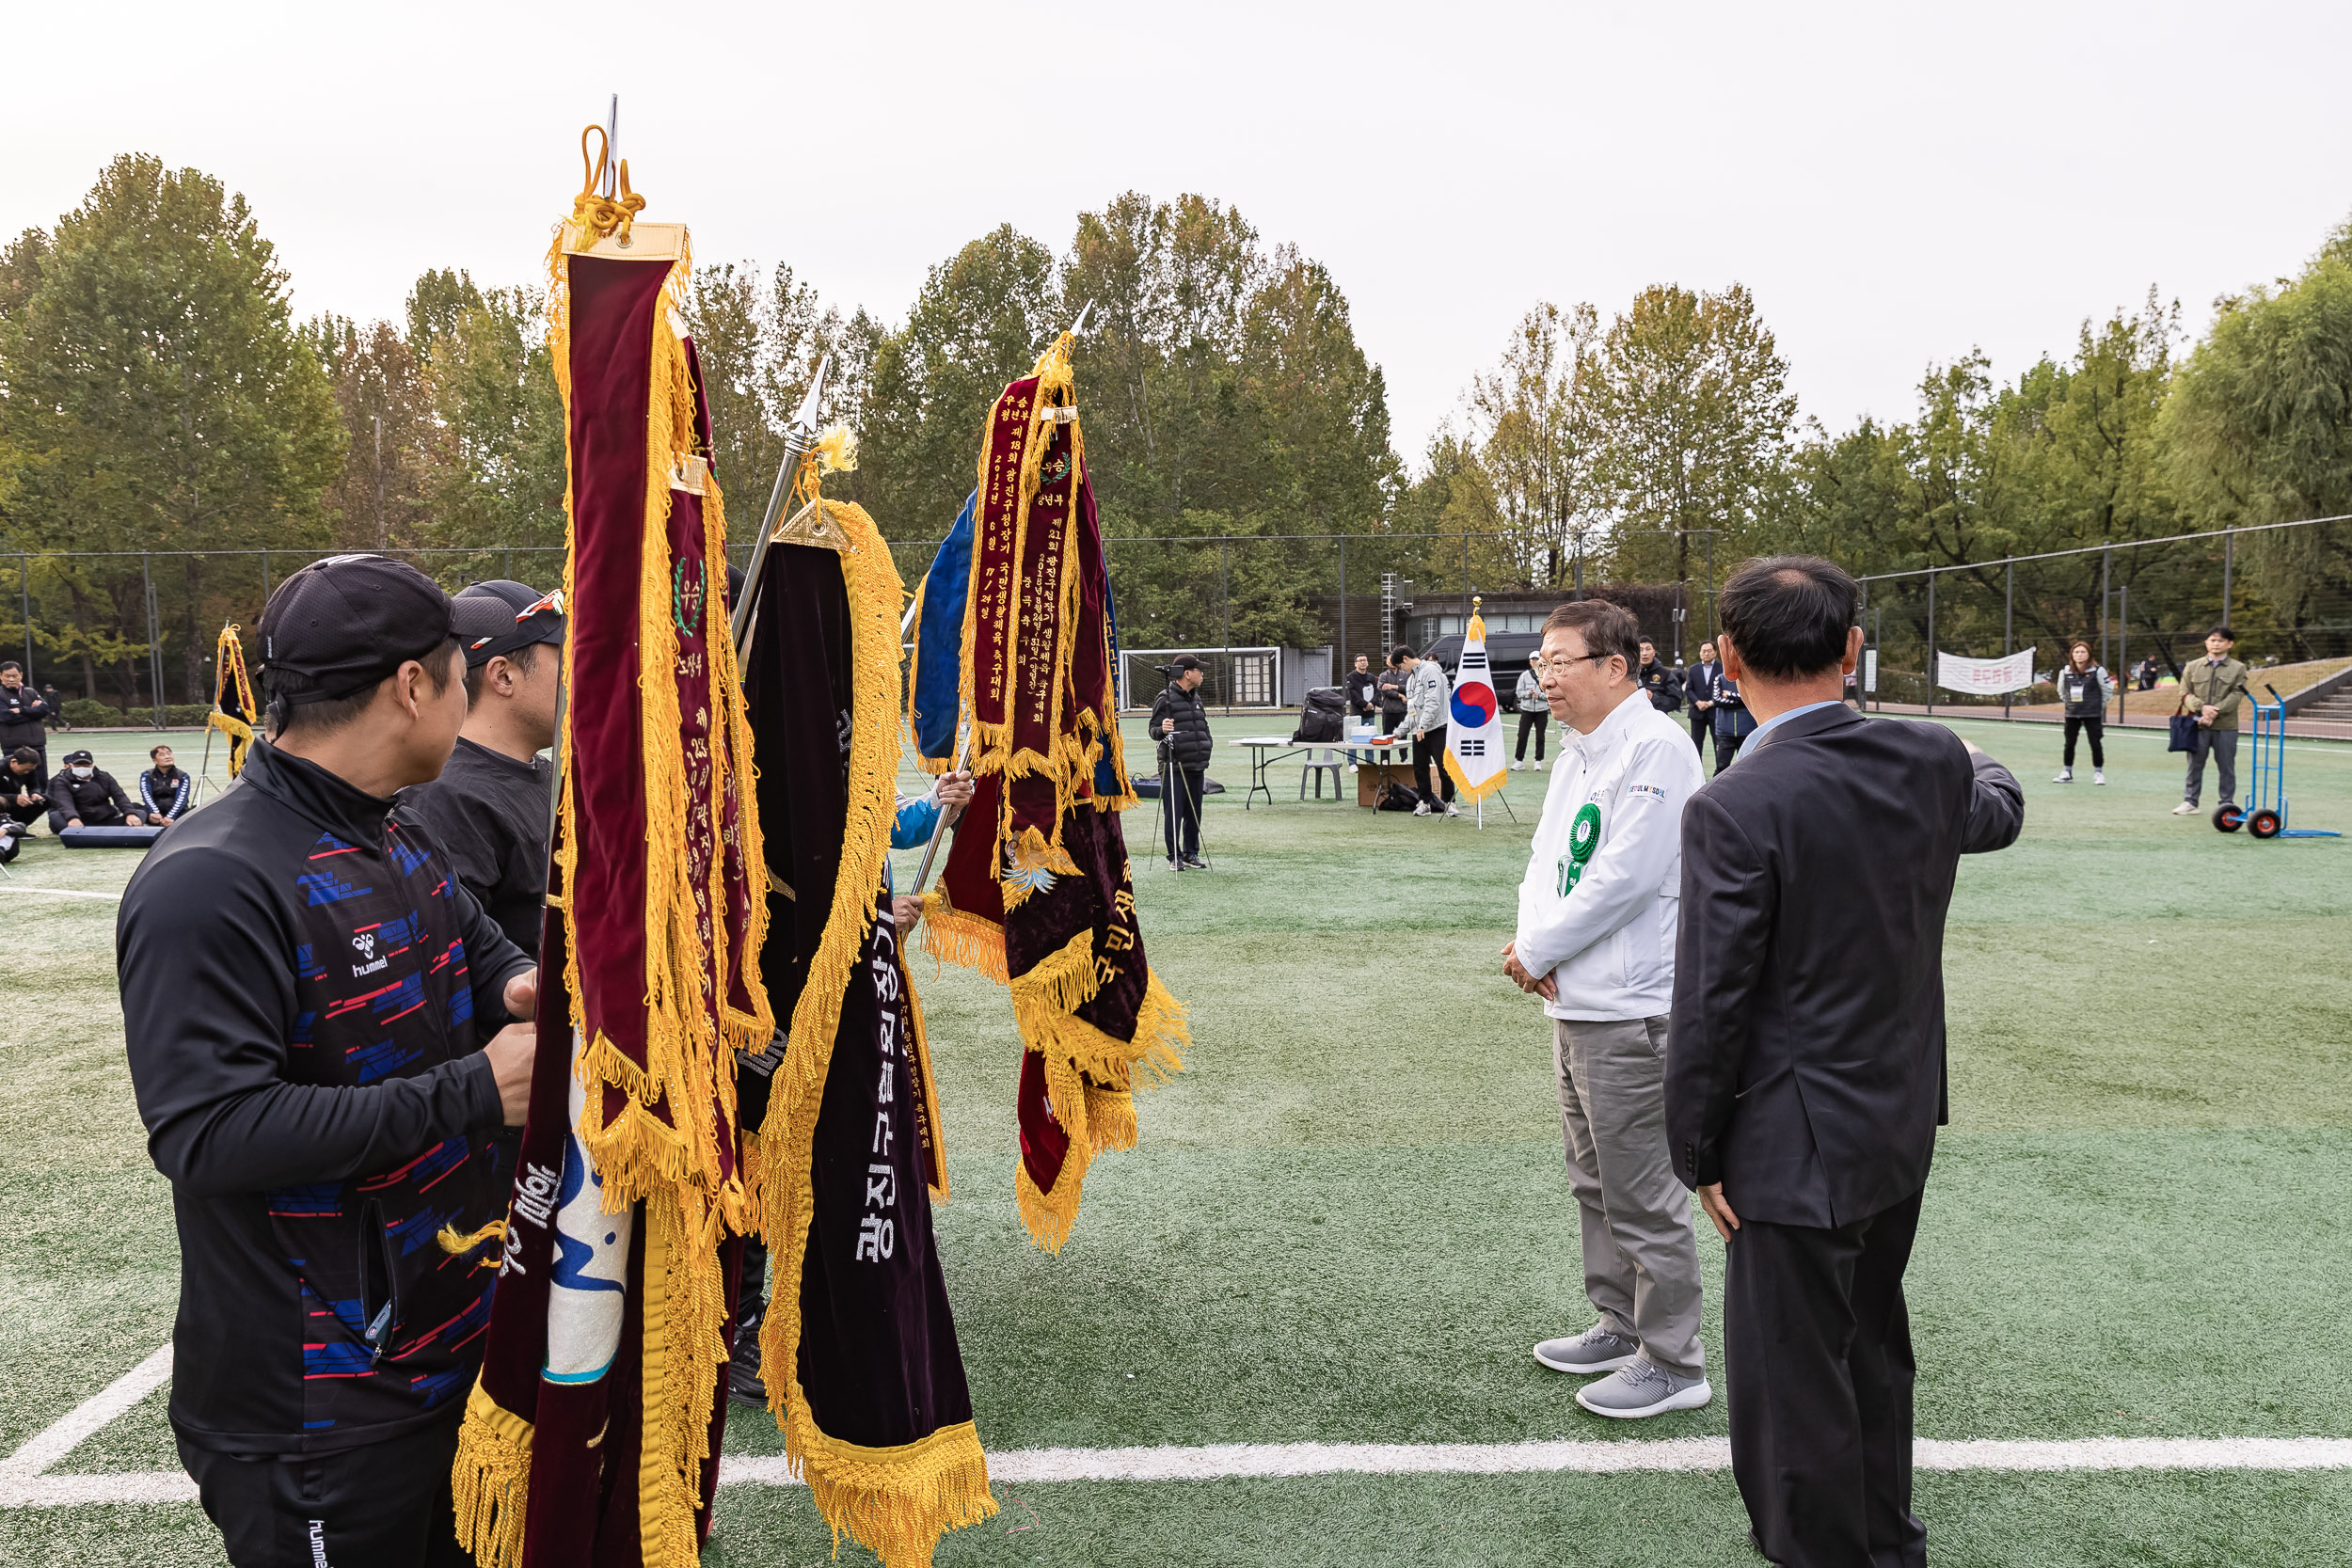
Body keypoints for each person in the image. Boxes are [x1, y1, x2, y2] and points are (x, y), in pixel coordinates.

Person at [117, 554, 540, 1568]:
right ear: (411, 683)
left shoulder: (391, 831)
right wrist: (476, 1088)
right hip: (317, 1407)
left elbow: (485, 952)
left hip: (445, 1351)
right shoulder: (211, 878)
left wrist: (527, 984)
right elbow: (207, 1131)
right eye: (456, 669)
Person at [1666, 555, 2022, 1568]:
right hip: (1898, 1120)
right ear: (1852, 648)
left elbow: (1710, 1000)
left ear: (1726, 656)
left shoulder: (1733, 803)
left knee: (1791, 1384)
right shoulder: (1925, 762)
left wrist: (1697, 1152)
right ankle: (1885, 1537)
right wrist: (1950, 745)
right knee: (1871, 1347)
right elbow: (1994, 798)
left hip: (1788, 1143)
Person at [1504, 599, 1711, 1419]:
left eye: (1561, 661)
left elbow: (1625, 877)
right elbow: (1543, 862)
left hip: (1630, 1009)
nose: (1545, 678)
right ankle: (1620, 1323)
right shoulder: (1573, 756)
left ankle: (1674, 1359)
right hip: (1575, 1006)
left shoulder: (1659, 748)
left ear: (1616, 667)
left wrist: (1540, 950)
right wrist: (1532, 942)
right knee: (1593, 1180)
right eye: (1541, 664)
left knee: (1642, 1191)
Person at [394, 581, 565, 958]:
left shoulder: (544, 771)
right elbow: (451, 961)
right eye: (564, 658)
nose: (578, 675)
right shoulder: (448, 797)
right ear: (503, 676)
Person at [2172, 625, 2248, 817]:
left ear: (2229, 644)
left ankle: (2226, 804)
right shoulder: (2193, 666)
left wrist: (2216, 711)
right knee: (2194, 765)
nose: (2216, 644)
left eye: (2221, 640)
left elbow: (2238, 694)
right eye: (2212, 640)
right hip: (2198, 725)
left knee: (2226, 766)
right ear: (2206, 642)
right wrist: (2201, 708)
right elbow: (2184, 692)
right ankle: (2190, 801)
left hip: (2226, 727)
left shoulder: (2238, 668)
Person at [1148, 655, 1212, 869]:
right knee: (1173, 814)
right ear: (1187, 673)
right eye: (1198, 670)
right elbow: (1153, 730)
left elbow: (1203, 726)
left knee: (1194, 812)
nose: (1201, 674)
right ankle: (1174, 856)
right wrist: (1162, 729)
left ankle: (1191, 853)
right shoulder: (1164, 698)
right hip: (1174, 766)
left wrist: (1206, 746)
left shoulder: (1197, 698)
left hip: (1196, 764)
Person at [1394, 643, 1459, 817]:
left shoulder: (1430, 670)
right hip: (1418, 730)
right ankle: (1425, 802)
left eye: (1401, 666)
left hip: (1437, 728)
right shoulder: (1410, 680)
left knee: (1443, 766)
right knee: (1420, 768)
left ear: (1406, 659)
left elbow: (1434, 701)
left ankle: (1449, 802)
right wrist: (1398, 732)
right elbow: (1412, 711)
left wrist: (1424, 725)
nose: (1402, 670)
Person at [2054, 641, 2110, 785]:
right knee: (2069, 743)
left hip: (2092, 714)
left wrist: (2098, 705)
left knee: (2095, 743)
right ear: (2072, 655)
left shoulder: (2098, 670)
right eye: (2076, 652)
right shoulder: (2065, 671)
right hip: (2072, 714)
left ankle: (2098, 773)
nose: (2079, 655)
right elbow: (2061, 691)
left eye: (2083, 652)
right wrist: (2070, 704)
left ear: (2089, 654)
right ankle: (2067, 772)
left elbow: (2107, 690)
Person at [48, 748, 145, 832]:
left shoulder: (104, 777)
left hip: (105, 819)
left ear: (92, 765)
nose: (82, 768)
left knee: (140, 813)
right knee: (56, 816)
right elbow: (65, 802)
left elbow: (120, 797)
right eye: (78, 765)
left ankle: (106, 832)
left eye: (86, 765)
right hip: (79, 820)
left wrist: (130, 814)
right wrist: (72, 818)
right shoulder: (62, 781)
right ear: (72, 766)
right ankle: (79, 832)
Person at [0, 661, 50, 789]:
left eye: (14, 676)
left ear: (21, 675)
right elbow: (6, 717)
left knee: (41, 784)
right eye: (7, 676)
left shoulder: (31, 692)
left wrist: (22, 710)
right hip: (13, 747)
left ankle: (43, 807)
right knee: (12, 786)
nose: (11, 679)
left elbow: (44, 710)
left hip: (37, 745)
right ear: (1, 676)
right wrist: (33, 713)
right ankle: (12, 809)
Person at [1709, 665, 1755, 774]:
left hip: (1747, 732)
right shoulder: (1719, 678)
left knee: (1748, 769)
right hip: (1724, 732)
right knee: (1721, 767)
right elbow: (1717, 701)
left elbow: (1751, 698)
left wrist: (1730, 695)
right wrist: (1741, 701)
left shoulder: (1751, 680)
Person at [1511, 661, 1549, 771]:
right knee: (1522, 735)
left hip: (1541, 710)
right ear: (1530, 661)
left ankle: (1538, 761)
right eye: (1532, 659)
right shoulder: (1524, 676)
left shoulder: (1546, 674)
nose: (1534, 662)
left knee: (1540, 736)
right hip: (1526, 710)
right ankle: (1519, 761)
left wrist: (1540, 696)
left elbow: (1550, 693)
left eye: (1536, 659)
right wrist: (1529, 693)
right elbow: (1519, 693)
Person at [140, 744, 194, 823]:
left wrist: (171, 817)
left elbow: (181, 798)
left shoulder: (183, 776)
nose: (167, 757)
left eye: (169, 753)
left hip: (177, 813)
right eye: (162, 755)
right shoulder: (146, 775)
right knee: (137, 811)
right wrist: (155, 813)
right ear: (154, 760)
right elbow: (146, 796)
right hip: (154, 814)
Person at [1684, 641, 1719, 758]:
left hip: (1715, 712)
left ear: (1715, 653)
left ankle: (1720, 772)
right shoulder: (1693, 669)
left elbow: (1724, 688)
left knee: (1718, 744)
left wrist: (1711, 703)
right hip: (1697, 712)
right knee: (1696, 745)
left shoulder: (1722, 668)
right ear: (1700, 654)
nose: (1706, 654)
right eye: (1704, 651)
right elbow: (1688, 690)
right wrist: (1698, 702)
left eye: (1709, 651)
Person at [4, 746, 45, 831]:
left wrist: (35, 793)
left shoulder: (29, 768)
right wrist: (14, 798)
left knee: (46, 800)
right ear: (14, 761)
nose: (27, 772)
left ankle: (18, 828)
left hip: (14, 804)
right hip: (4, 804)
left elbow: (33, 785)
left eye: (30, 770)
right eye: (25, 769)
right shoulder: (1, 768)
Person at [1636, 639, 1681, 717]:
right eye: (1641, 650)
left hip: (1657, 723)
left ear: (1653, 652)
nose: (1644, 653)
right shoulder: (1628, 674)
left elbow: (1676, 701)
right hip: (1633, 723)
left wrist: (1653, 698)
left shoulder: (1666, 674)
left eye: (1648, 649)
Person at [1375, 648, 1411, 736]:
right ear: (1386, 662)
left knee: (1402, 738)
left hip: (1402, 710)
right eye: (1390, 660)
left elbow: (1408, 687)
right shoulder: (1383, 676)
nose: (1392, 661)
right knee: (1386, 737)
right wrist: (1400, 695)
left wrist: (1393, 687)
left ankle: (1404, 751)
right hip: (1388, 711)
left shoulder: (1405, 674)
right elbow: (1385, 690)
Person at [1344, 652, 1379, 730]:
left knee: (1370, 734)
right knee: (1358, 736)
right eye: (1360, 661)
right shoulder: (1350, 677)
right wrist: (1364, 704)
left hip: (1370, 713)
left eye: (1364, 660)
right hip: (1357, 712)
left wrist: (1371, 704)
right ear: (1355, 664)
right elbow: (1352, 693)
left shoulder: (1371, 677)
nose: (1363, 662)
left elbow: (1377, 692)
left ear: (1367, 663)